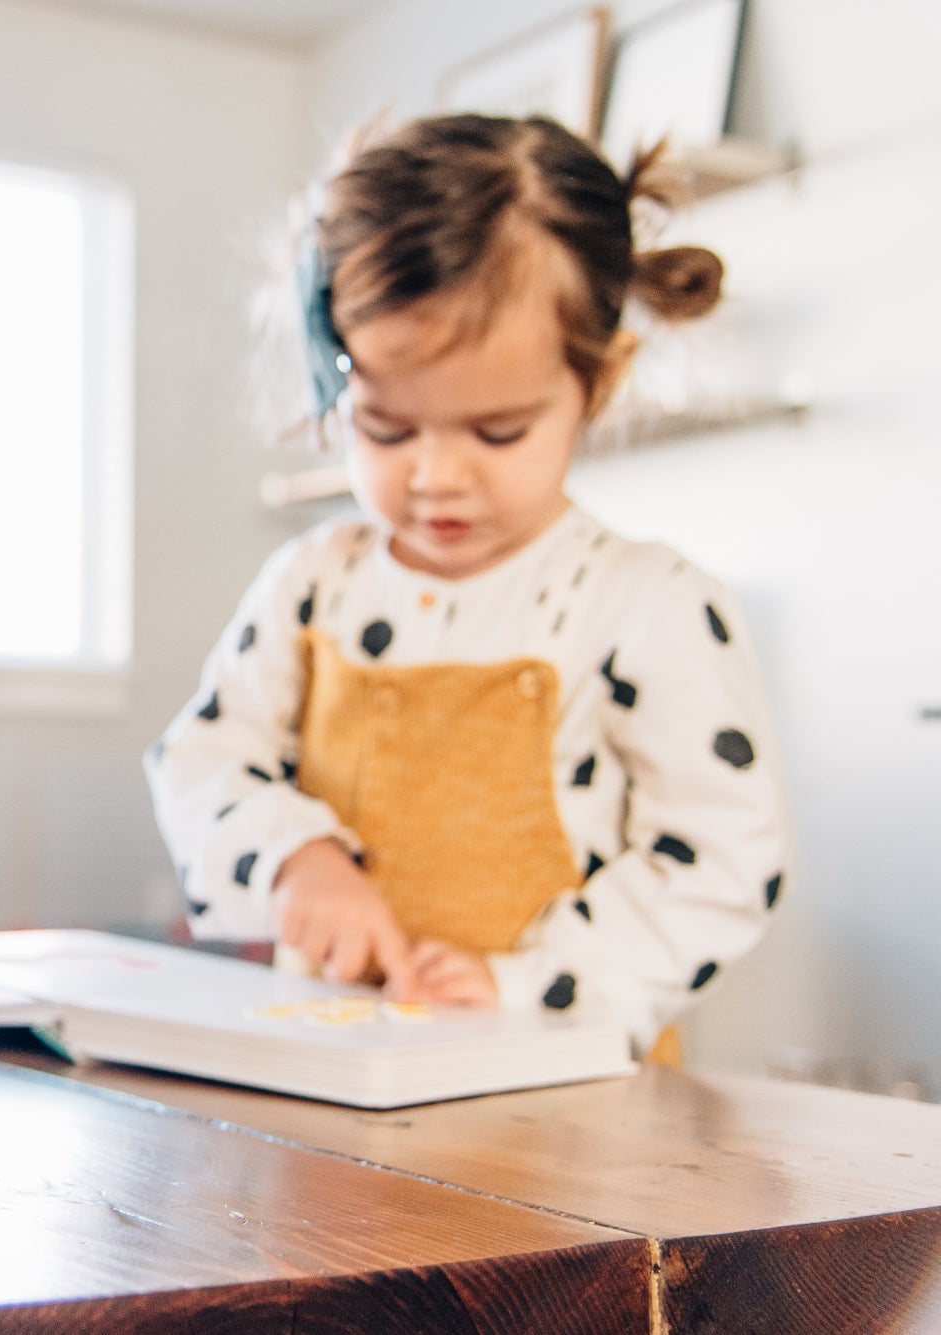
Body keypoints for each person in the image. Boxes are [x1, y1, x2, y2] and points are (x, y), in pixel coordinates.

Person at [143, 114, 788, 1052]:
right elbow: (200, 759)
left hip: (571, 1118)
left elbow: (724, 863)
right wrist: (297, 860)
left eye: (497, 432)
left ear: (597, 385)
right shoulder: (313, 582)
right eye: (388, 430)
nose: (437, 476)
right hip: (336, 1075)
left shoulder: (647, 603)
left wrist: (521, 984)